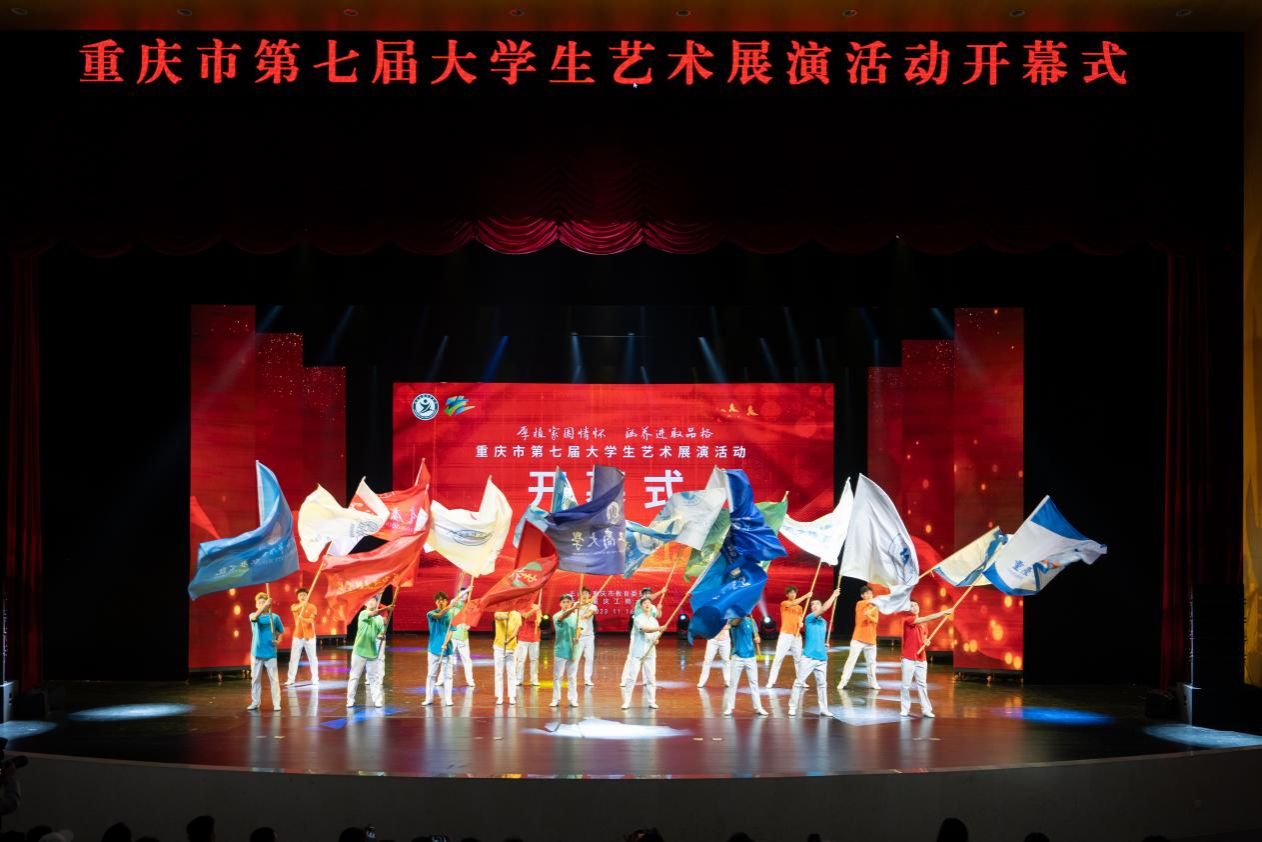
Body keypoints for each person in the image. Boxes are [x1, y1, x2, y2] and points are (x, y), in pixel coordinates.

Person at [789, 588, 841, 716]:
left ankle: (824, 709)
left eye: (817, 603)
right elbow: (824, 609)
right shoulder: (809, 618)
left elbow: (818, 637)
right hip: (808, 657)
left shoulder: (824, 622)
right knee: (799, 682)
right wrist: (833, 595)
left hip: (822, 658)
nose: (814, 605)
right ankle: (792, 707)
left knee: (822, 685)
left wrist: (824, 645)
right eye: (812, 604)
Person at [900, 600, 952, 718]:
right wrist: (943, 613)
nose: (914, 607)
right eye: (911, 606)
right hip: (908, 658)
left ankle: (926, 709)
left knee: (922, 685)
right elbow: (926, 618)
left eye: (916, 605)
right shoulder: (908, 619)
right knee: (906, 685)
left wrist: (926, 641)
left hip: (921, 658)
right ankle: (905, 709)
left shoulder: (924, 624)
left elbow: (924, 637)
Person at [423, 588, 469, 706]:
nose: (440, 602)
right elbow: (439, 615)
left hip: (447, 650)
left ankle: (448, 699)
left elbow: (451, 631)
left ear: (446, 601)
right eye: (438, 600)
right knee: (431, 675)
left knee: (448, 676)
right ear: (435, 602)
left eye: (443, 600)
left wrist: (445, 643)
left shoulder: (450, 615)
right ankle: (429, 698)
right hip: (433, 649)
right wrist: (450, 606)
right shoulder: (431, 614)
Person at [346, 595, 390, 708]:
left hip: (372, 652)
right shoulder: (363, 614)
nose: (371, 602)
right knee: (354, 676)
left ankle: (377, 700)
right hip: (359, 651)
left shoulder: (379, 619)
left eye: (373, 600)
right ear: (365, 604)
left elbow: (380, 632)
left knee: (374, 677)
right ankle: (350, 699)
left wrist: (381, 636)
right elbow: (372, 613)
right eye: (368, 600)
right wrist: (387, 608)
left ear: (377, 603)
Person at [837, 584, 881, 692]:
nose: (869, 595)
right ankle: (843, 682)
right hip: (858, 639)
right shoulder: (860, 604)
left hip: (871, 639)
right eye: (866, 593)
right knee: (851, 661)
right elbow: (868, 603)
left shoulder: (875, 608)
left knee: (871, 663)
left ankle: (873, 683)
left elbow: (876, 621)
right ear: (862, 596)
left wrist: (869, 615)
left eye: (870, 593)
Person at [621, 596, 662, 709]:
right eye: (645, 603)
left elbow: (655, 638)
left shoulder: (654, 621)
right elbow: (645, 629)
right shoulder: (638, 618)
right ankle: (627, 702)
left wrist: (656, 640)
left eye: (649, 603)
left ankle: (652, 701)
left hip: (650, 653)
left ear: (652, 606)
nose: (647, 605)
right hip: (637, 653)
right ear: (641, 606)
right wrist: (658, 629)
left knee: (651, 678)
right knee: (632, 677)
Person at [723, 613, 768, 716]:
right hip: (737, 656)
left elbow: (756, 634)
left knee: (754, 683)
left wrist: (757, 638)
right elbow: (735, 623)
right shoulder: (734, 619)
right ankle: (730, 707)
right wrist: (741, 615)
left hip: (751, 656)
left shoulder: (751, 621)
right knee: (733, 683)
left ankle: (758, 707)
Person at [766, 586, 811, 688]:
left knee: (798, 659)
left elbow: (799, 619)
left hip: (796, 636)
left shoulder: (800, 608)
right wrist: (806, 596)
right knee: (778, 658)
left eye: (794, 592)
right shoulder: (784, 604)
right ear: (787, 595)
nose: (792, 594)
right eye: (790, 593)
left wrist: (801, 623)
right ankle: (771, 681)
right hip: (785, 635)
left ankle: (801, 681)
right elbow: (793, 603)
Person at [247, 592, 284, 711]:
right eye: (259, 603)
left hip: (270, 652)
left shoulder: (275, 617)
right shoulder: (253, 615)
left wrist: (278, 640)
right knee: (255, 679)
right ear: (256, 605)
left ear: (269, 605)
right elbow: (254, 618)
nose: (261, 604)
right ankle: (255, 702)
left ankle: (276, 703)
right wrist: (264, 606)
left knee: (274, 680)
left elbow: (280, 632)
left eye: (264, 602)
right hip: (256, 652)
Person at [550, 593, 580, 708]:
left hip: (573, 650)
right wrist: (574, 608)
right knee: (558, 676)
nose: (566, 604)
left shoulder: (576, 617)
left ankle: (573, 699)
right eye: (564, 602)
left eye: (568, 602)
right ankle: (556, 699)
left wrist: (577, 637)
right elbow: (562, 618)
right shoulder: (557, 616)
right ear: (560, 604)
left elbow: (579, 628)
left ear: (571, 603)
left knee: (572, 677)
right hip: (560, 650)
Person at [284, 587, 319, 687]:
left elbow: (311, 620)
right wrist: (302, 605)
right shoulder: (295, 606)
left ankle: (315, 678)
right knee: (294, 658)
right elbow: (293, 609)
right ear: (298, 597)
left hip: (310, 636)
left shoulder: (312, 607)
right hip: (298, 636)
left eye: (304, 595)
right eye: (300, 595)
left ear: (308, 596)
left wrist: (303, 618)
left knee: (312, 658)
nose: (302, 597)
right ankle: (291, 679)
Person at [492, 607, 523, 705]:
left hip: (511, 647)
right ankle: (500, 696)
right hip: (499, 647)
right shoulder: (499, 612)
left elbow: (516, 631)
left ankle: (512, 696)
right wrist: (506, 615)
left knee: (511, 673)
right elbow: (497, 616)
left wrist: (509, 640)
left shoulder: (517, 615)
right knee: (499, 673)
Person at [696, 621, 732, 688]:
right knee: (707, 660)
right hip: (713, 640)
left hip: (725, 640)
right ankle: (702, 681)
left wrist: (720, 627)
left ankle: (727, 680)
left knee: (726, 660)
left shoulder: (728, 615)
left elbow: (730, 625)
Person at [574, 586, 598, 686]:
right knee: (576, 658)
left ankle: (587, 679)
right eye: (582, 593)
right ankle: (573, 678)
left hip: (589, 636)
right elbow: (579, 607)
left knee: (589, 658)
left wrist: (589, 603)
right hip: (578, 635)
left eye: (586, 594)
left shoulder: (593, 606)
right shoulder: (576, 604)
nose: (584, 595)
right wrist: (587, 601)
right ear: (579, 595)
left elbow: (588, 615)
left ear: (589, 595)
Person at [515, 602, 543, 686]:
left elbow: (539, 619)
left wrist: (539, 620)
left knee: (534, 659)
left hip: (535, 637)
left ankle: (534, 679)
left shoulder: (537, 607)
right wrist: (534, 610)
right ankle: (518, 679)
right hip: (523, 637)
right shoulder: (521, 606)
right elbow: (525, 615)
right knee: (521, 659)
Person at [449, 614, 477, 689]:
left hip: (463, 638)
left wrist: (468, 625)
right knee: (448, 658)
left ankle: (470, 680)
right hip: (452, 637)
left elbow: (469, 625)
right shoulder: (451, 609)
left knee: (466, 659)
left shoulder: (467, 611)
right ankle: (441, 679)